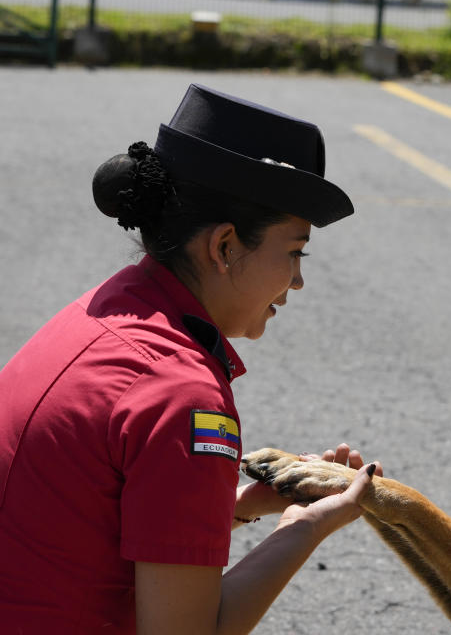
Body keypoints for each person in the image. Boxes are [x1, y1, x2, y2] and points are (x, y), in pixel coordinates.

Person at [0, 83, 380, 633]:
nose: (298, 280)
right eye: (295, 252)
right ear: (225, 246)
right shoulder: (182, 394)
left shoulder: (102, 309)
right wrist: (304, 527)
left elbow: (105, 515)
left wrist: (247, 503)